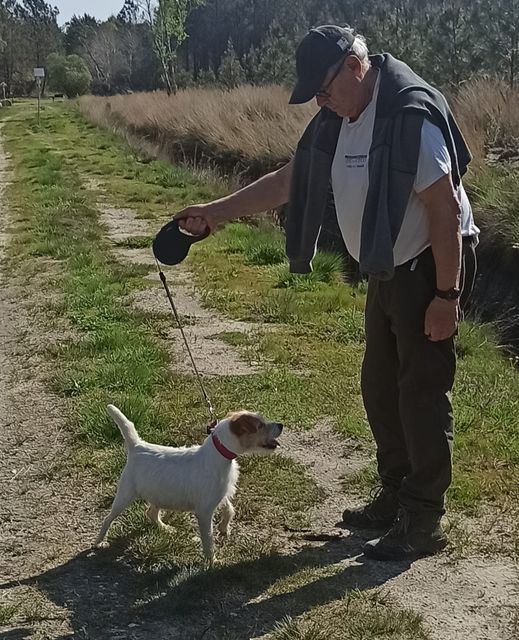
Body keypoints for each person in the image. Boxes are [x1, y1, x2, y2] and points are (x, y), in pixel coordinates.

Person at [172, 24, 479, 561]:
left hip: (428, 265)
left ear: (354, 68)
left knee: (420, 393)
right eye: (315, 93)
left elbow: (445, 210)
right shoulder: (338, 121)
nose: (321, 100)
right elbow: (290, 180)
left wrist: (446, 297)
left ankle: (424, 520)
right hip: (387, 267)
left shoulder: (408, 114)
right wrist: (214, 215)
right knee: (379, 387)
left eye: (324, 88)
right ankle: (395, 495)